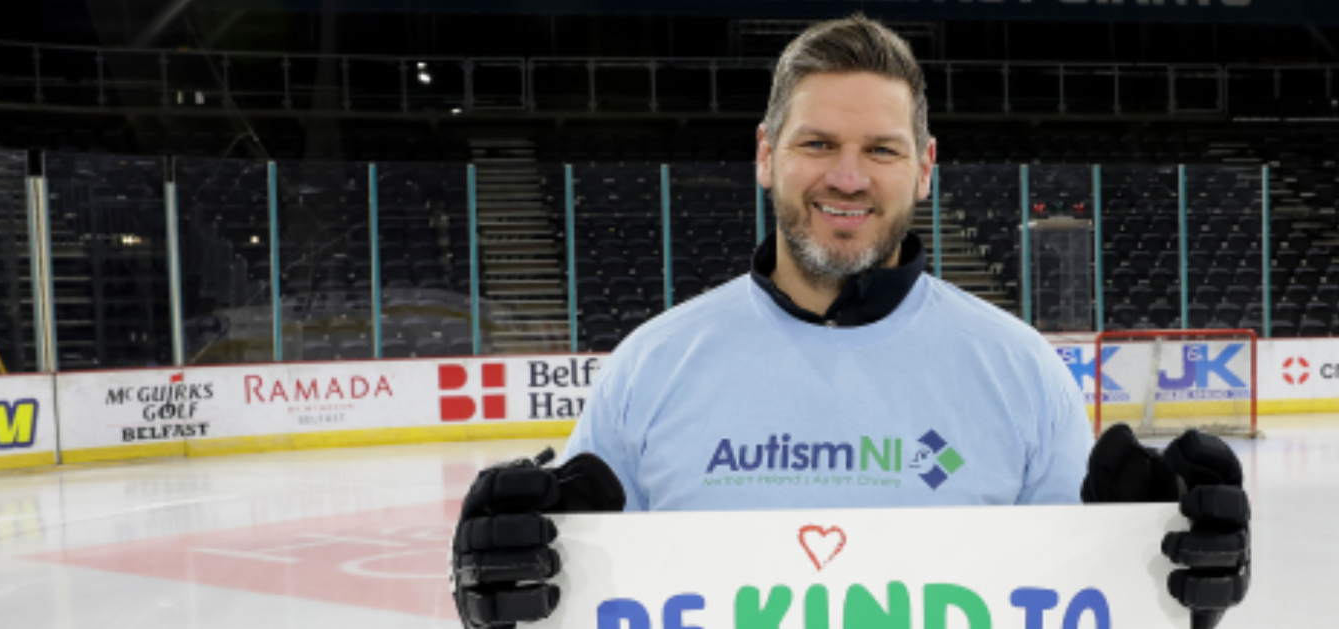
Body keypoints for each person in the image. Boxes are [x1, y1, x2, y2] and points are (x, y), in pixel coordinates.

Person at [450, 14, 1249, 629]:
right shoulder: (650, 366)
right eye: (818, 143)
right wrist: (506, 582)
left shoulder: (1020, 368)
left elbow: (1081, 595)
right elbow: (571, 582)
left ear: (925, 168)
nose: (847, 176)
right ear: (765, 154)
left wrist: (1164, 573)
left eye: (882, 150)